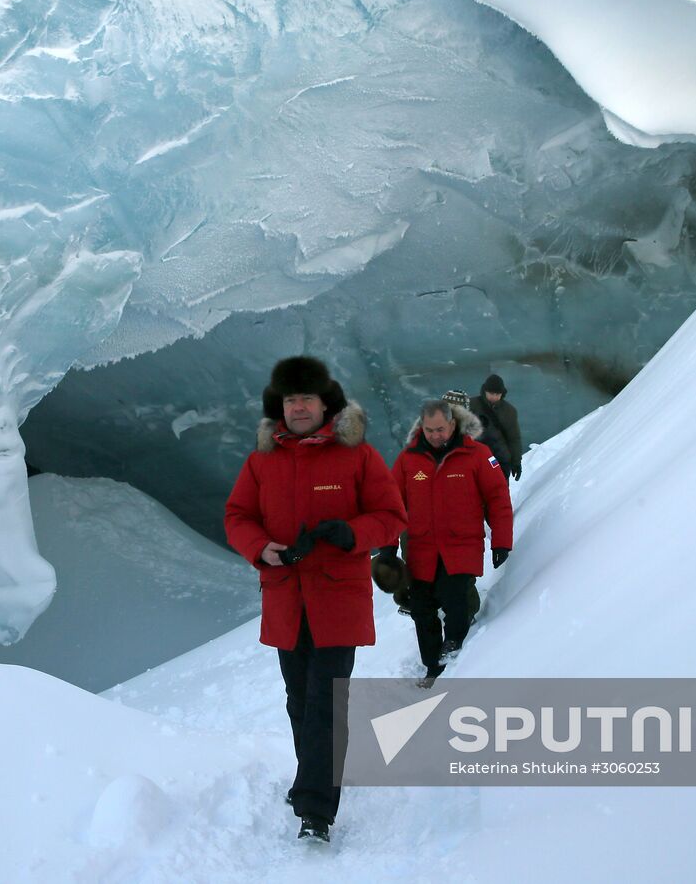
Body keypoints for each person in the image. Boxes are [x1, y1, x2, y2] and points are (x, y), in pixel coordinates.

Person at [224, 356, 406, 843]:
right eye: (290, 399)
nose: (298, 407)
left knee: (325, 701)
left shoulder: (358, 457)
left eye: (306, 398)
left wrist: (350, 532)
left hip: (336, 600)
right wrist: (260, 548)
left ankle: (315, 810)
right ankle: (314, 777)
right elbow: (237, 515)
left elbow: (392, 515)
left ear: (326, 404)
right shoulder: (262, 461)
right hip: (286, 598)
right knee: (299, 700)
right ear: (279, 407)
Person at [379, 397, 513, 686]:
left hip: (461, 546)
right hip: (421, 550)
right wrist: (388, 549)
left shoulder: (477, 455)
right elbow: (392, 505)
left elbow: (498, 499)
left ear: (452, 424)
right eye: (429, 430)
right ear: (421, 428)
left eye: (440, 429)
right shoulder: (408, 460)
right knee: (422, 610)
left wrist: (502, 540)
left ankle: (454, 652)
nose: (435, 435)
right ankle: (432, 667)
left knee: (456, 602)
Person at [469, 373, 523, 480]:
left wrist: (516, 462)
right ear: (485, 391)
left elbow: (514, 438)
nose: (494, 397)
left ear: (502, 394)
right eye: (491, 393)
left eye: (497, 394)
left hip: (500, 460)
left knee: (499, 491)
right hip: (476, 459)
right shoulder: (472, 405)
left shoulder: (509, 411)